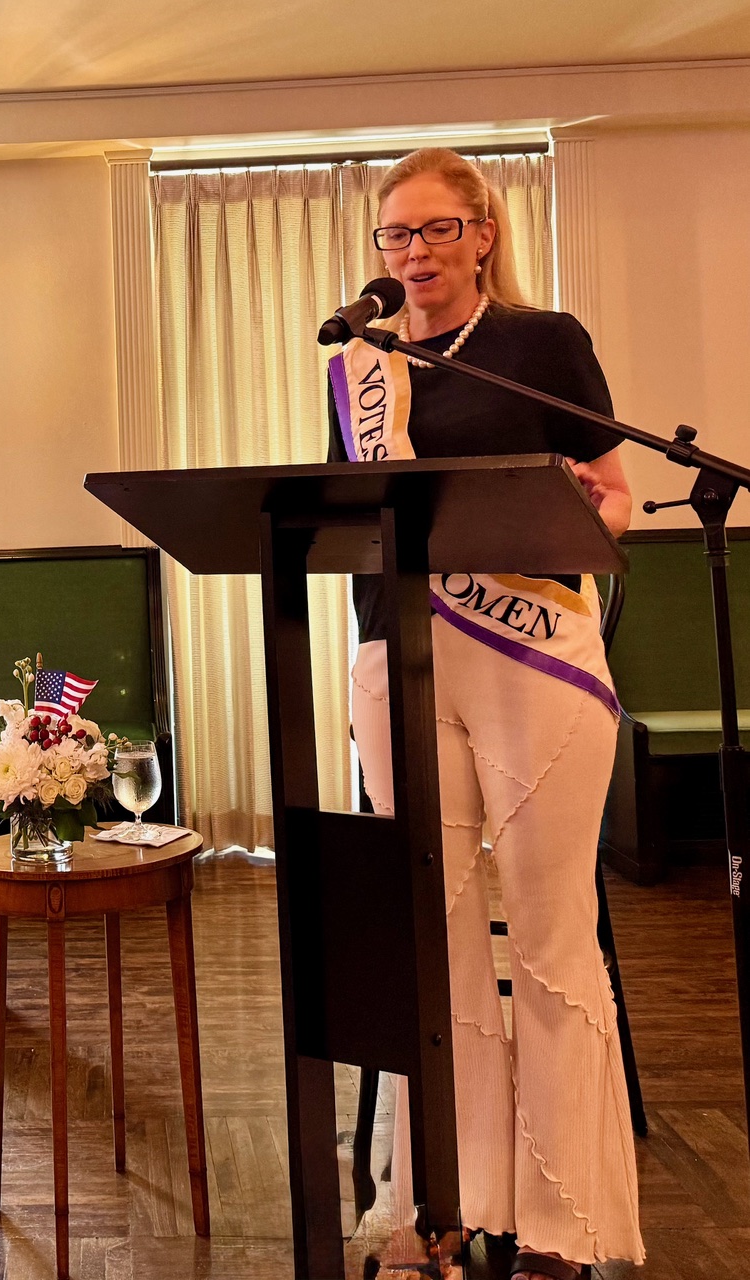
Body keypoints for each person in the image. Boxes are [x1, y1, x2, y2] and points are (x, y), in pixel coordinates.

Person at [326, 148, 644, 1280]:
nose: (412, 254)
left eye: (434, 231)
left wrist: (567, 530)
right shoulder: (358, 367)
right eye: (394, 236)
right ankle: (443, 1205)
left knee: (550, 939)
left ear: (483, 233)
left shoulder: (540, 342)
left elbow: (613, 491)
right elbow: (335, 514)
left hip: (530, 655)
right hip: (396, 661)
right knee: (435, 943)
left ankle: (561, 1222)